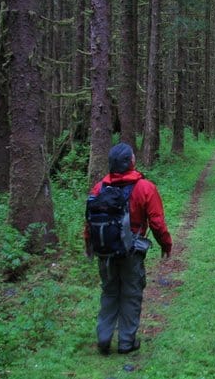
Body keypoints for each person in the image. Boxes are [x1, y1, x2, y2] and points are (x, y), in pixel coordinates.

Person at [84, 142, 172, 355]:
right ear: (131, 162)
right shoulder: (145, 188)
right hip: (132, 252)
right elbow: (157, 222)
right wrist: (166, 244)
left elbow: (90, 220)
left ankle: (103, 339)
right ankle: (126, 342)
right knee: (131, 293)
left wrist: (89, 245)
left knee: (109, 291)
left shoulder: (99, 188)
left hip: (104, 252)